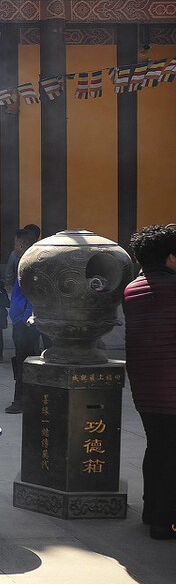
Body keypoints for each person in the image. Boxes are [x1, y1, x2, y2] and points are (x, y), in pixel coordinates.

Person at [122, 224, 176, 540]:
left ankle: (152, 511)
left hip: (147, 388)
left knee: (158, 447)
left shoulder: (133, 288)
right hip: (171, 388)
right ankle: (165, 522)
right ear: (171, 257)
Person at [6, 224, 43, 414]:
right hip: (21, 320)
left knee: (25, 362)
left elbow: (32, 296)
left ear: (21, 245)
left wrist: (26, 318)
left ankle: (22, 401)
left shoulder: (30, 266)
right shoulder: (26, 263)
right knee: (23, 361)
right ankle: (24, 399)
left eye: (15, 244)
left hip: (25, 322)